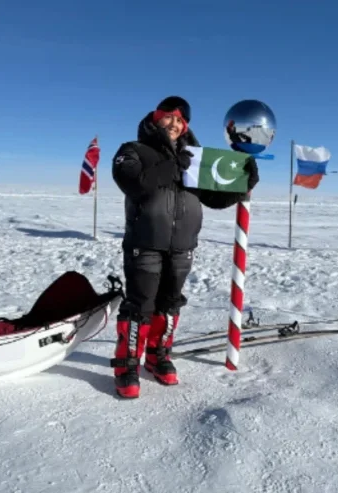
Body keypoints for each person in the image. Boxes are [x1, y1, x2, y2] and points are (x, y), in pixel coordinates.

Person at [110, 96, 259, 399]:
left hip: (182, 246)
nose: (174, 124)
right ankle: (127, 366)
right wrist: (171, 166)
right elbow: (133, 182)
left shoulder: (194, 157)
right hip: (145, 244)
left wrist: (244, 183)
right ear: (156, 117)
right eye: (169, 117)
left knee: (169, 304)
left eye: (180, 120)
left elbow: (214, 198)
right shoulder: (133, 151)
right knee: (141, 306)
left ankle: (158, 355)